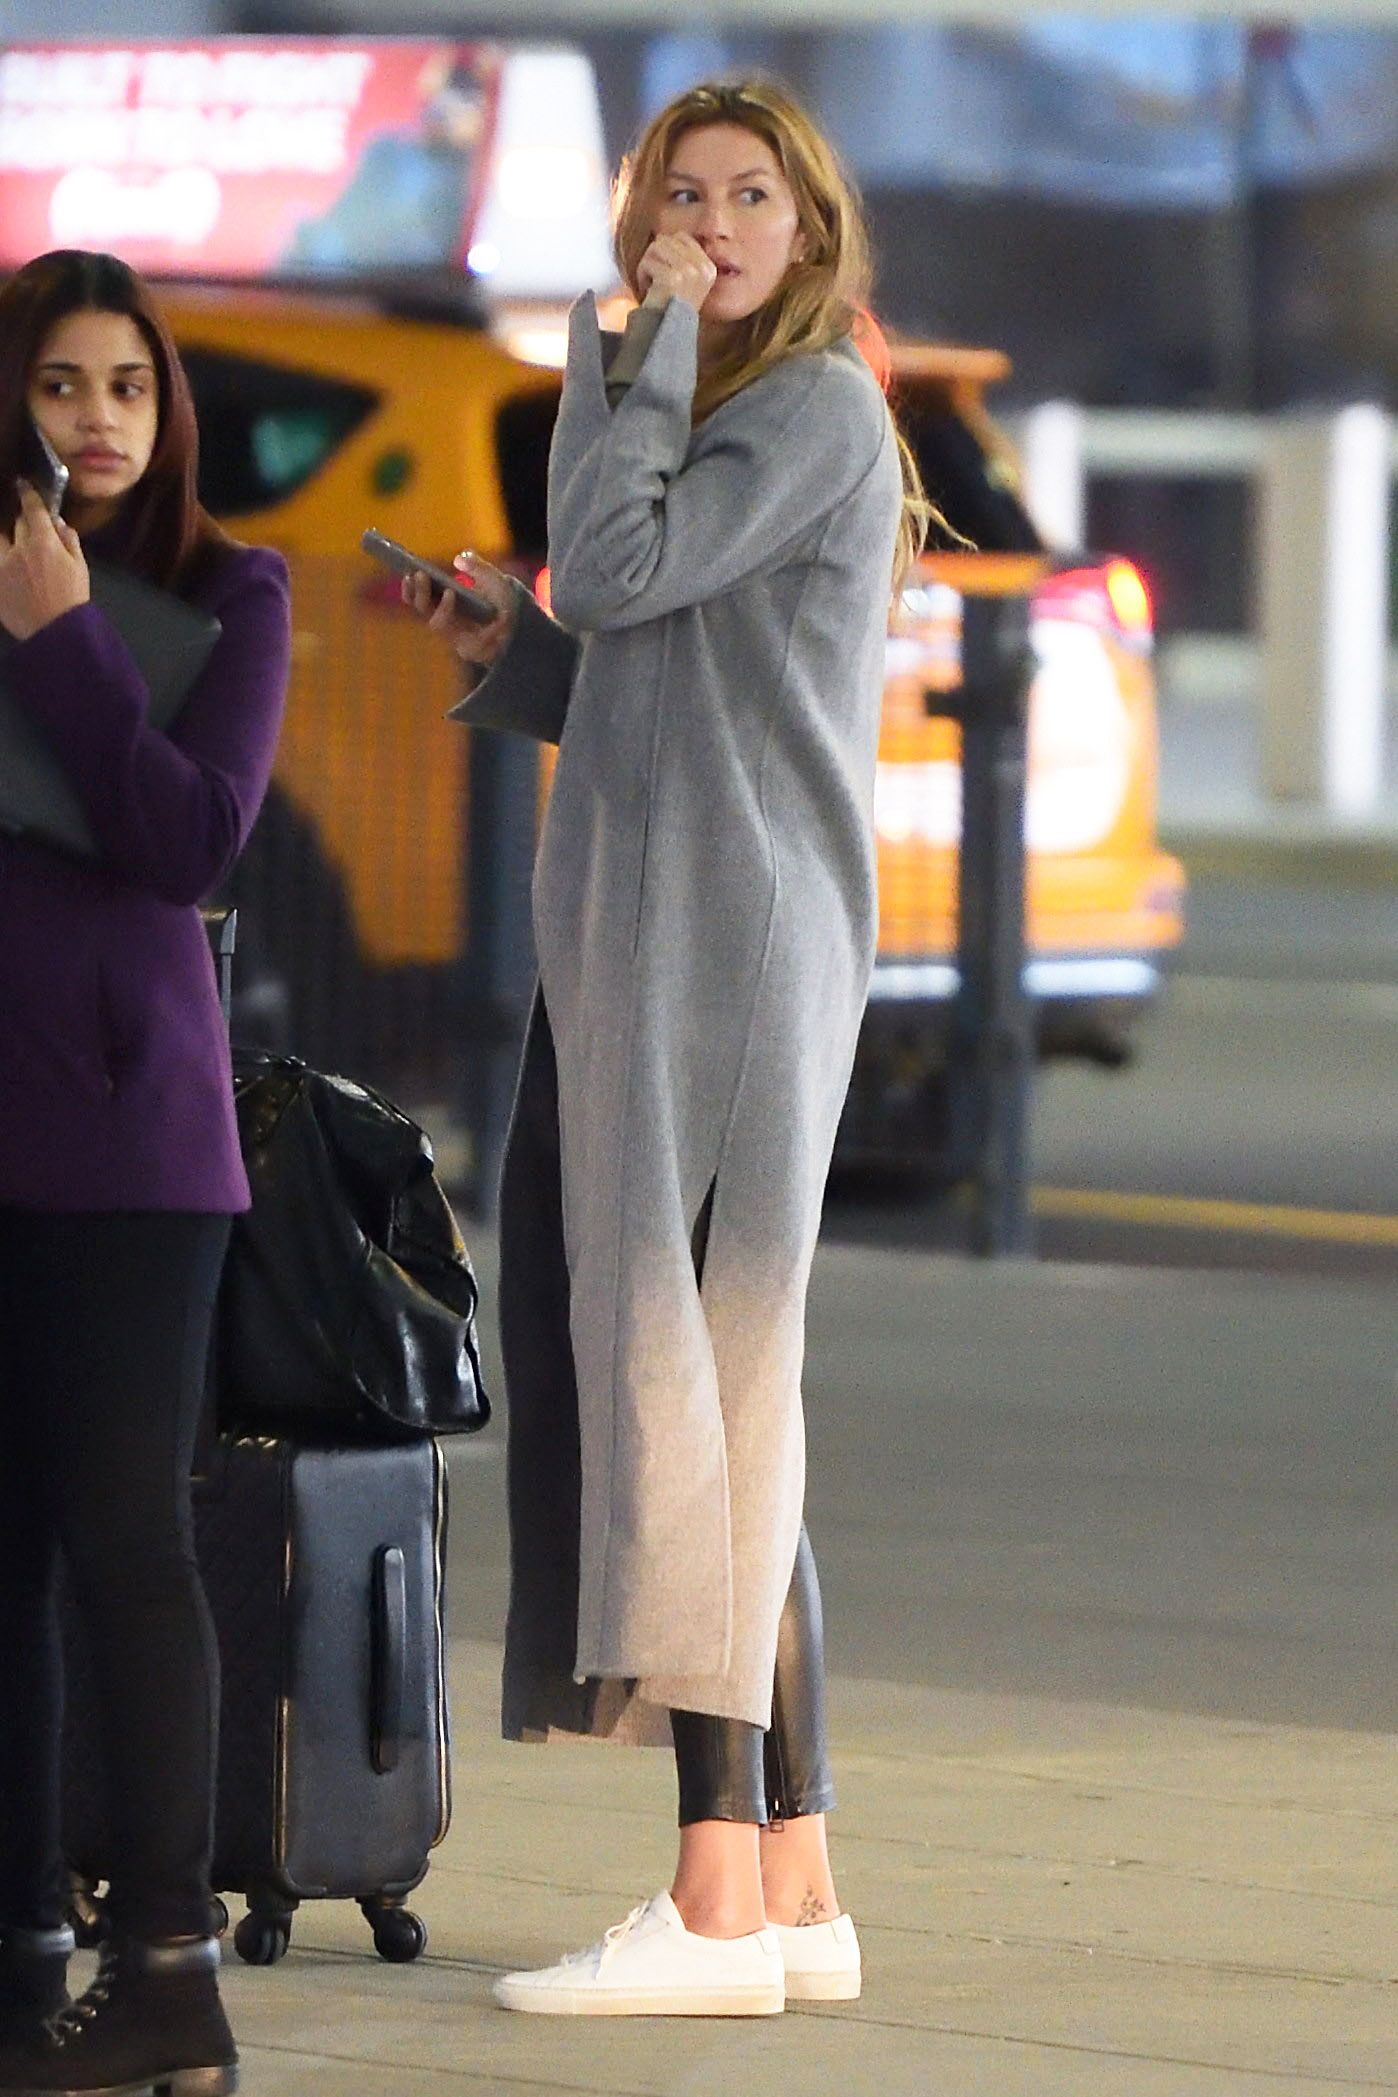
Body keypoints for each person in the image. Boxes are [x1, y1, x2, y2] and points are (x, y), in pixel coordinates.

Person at [407, 78, 924, 2017]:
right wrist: (507, 653)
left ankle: (709, 1898)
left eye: (746, 196)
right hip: (673, 935)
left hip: (724, 950)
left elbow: (616, 570)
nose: (705, 223)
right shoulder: (732, 408)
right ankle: (790, 1867)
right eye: (677, 194)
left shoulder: (803, 401)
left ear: (810, 227)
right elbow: (650, 655)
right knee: (728, 1401)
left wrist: (626, 360)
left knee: (683, 1390)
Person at [0, 250, 291, 2094]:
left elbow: (186, 841)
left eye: (126, 386)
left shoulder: (225, 592)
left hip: (129, 1144)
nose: (95, 420)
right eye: (56, 386)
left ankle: (170, 1960)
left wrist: (65, 639)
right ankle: (23, 1941)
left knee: (129, 1542)